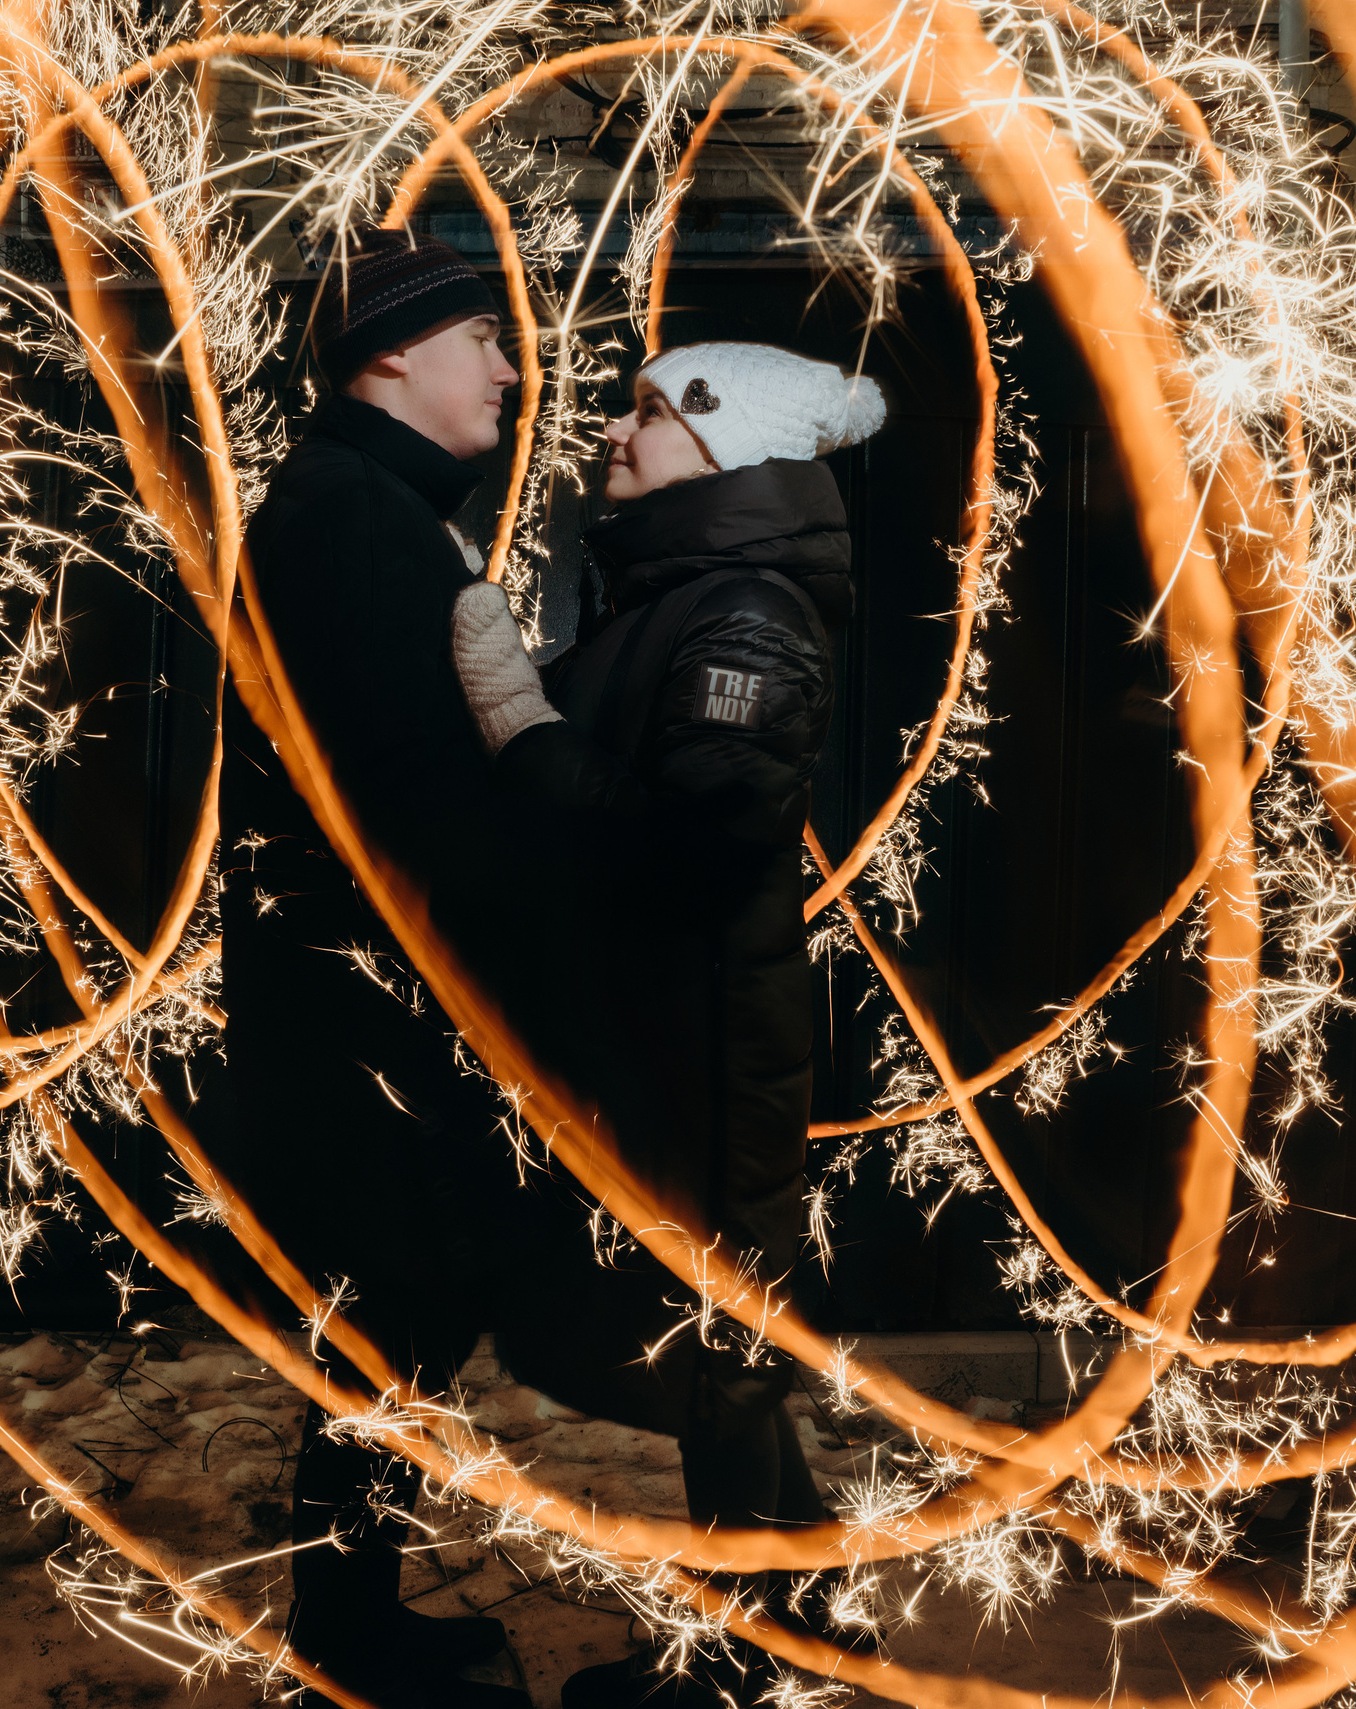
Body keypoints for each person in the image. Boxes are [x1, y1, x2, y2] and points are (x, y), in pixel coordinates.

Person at [449, 342, 887, 1708]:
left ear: (733, 451)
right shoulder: (682, 592)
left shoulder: (742, 614)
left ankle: (757, 1670)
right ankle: (800, 1613)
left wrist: (520, 721)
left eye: (654, 413)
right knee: (695, 1344)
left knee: (709, 1350)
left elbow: (691, 850)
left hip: (703, 1043)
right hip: (659, 1033)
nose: (615, 429)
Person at [212, 228, 530, 1708]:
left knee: (389, 1322)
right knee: (386, 1316)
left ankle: (353, 1617)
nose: (516, 370)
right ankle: (348, 1635)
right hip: (360, 1022)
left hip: (359, 1012)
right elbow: (401, 796)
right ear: (393, 352)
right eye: (485, 338)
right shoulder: (354, 518)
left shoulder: (370, 504)